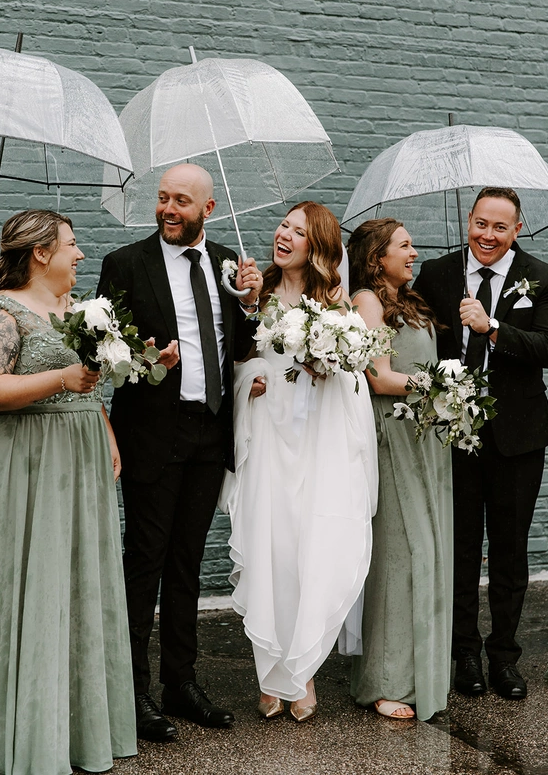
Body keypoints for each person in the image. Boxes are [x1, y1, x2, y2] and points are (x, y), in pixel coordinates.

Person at [0, 210, 137, 773]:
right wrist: (61, 381)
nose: (80, 254)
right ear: (41, 253)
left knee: (70, 587)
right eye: (71, 245)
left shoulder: (78, 311)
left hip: (74, 458)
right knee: (17, 586)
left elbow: (89, 379)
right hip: (18, 460)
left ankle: (68, 729)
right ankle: (8, 734)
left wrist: (104, 428)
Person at [97, 163, 262, 742]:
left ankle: (181, 683)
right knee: (144, 563)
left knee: (187, 563)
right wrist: (144, 359)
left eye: (181, 201)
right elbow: (103, 355)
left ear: (207, 210)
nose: (168, 209)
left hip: (208, 432)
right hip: (152, 434)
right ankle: (133, 690)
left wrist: (249, 303)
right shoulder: (124, 264)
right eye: (163, 198)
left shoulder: (225, 262)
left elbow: (241, 347)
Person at [219, 202, 378, 722]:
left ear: (318, 247)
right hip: (267, 436)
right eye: (283, 225)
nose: (284, 235)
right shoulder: (253, 294)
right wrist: (251, 380)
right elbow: (234, 364)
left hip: (316, 442)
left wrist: (325, 362)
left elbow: (355, 382)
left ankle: (302, 671)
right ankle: (270, 670)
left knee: (310, 550)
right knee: (272, 547)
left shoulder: (336, 308)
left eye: (298, 231)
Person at [414, 187, 548, 700]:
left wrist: (492, 327)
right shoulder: (436, 274)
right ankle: (465, 654)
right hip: (455, 434)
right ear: (469, 221)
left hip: (519, 438)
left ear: (517, 229)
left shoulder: (542, 277)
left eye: (500, 227)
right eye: (480, 223)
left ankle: (504, 656)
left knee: (510, 550)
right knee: (460, 546)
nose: (487, 236)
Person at [346, 218, 452, 721]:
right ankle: (385, 679)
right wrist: (440, 385)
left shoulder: (410, 300)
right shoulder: (366, 301)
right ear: (376, 256)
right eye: (405, 245)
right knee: (399, 554)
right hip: (393, 434)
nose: (414, 252)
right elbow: (381, 379)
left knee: (427, 551)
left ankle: (420, 670)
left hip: (425, 435)